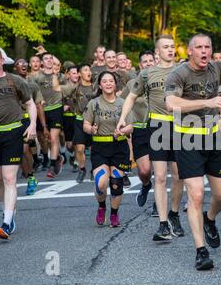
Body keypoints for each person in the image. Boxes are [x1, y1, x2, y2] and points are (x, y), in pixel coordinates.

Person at [164, 24, 221, 270]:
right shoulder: (178, 74)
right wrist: (209, 101)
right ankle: (200, 251)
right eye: (200, 47)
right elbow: (171, 103)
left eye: (208, 47)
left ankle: (210, 219)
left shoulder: (217, 68)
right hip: (187, 139)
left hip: (214, 138)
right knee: (195, 194)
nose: (204, 51)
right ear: (190, 50)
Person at [117, 35, 185, 241]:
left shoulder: (184, 70)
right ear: (157, 52)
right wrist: (122, 118)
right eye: (165, 47)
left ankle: (173, 214)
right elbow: (131, 96)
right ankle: (163, 224)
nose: (170, 50)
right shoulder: (147, 73)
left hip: (181, 125)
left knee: (179, 176)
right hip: (158, 126)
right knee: (160, 176)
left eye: (172, 46)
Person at [0, 46, 37, 239]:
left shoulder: (15, 81)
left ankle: (7, 223)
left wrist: (33, 125)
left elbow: (30, 103)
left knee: (9, 178)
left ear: (2, 60)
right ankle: (7, 212)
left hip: (13, 132)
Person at [83, 71, 130, 227]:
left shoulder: (123, 103)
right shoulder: (93, 103)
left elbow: (131, 126)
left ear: (115, 84)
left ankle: (114, 214)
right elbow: (86, 125)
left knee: (116, 183)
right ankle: (102, 206)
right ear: (100, 85)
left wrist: (122, 131)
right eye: (105, 81)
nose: (108, 83)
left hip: (119, 147)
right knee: (101, 183)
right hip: (100, 147)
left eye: (111, 81)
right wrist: (91, 130)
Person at [120, 50, 156, 207]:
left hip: (159, 128)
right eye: (145, 61)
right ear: (140, 65)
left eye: (151, 61)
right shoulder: (131, 84)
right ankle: (146, 185)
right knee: (144, 171)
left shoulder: (163, 82)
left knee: (160, 172)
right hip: (140, 130)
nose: (148, 63)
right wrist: (126, 122)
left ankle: (158, 203)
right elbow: (121, 105)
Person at [53, 64, 95, 183]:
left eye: (89, 70)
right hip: (79, 121)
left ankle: (94, 170)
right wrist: (54, 73)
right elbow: (56, 88)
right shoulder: (74, 88)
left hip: (93, 122)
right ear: (80, 74)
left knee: (93, 149)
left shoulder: (96, 87)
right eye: (85, 70)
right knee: (80, 148)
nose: (89, 72)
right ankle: (82, 169)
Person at [30, 52, 65, 179]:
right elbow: (32, 93)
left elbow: (66, 89)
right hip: (42, 110)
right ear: (42, 63)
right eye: (46, 59)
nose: (49, 60)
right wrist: (37, 100)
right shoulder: (36, 77)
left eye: (51, 58)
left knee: (53, 137)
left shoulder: (59, 76)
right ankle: (58, 157)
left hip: (56, 108)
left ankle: (53, 165)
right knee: (45, 138)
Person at [14, 58, 46, 195]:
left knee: (24, 149)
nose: (23, 65)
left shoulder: (32, 85)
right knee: (19, 153)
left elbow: (38, 106)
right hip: (13, 121)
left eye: (25, 63)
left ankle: (31, 176)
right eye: (19, 63)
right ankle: (29, 174)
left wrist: (44, 125)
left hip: (27, 120)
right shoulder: (10, 83)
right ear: (15, 67)